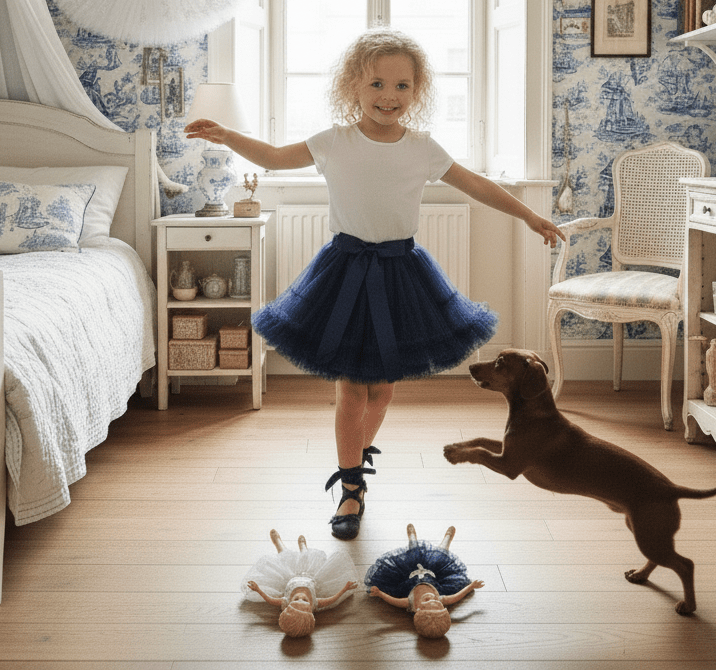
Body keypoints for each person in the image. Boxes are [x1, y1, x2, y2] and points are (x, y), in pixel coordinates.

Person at [185, 28, 563, 540]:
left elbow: (479, 186)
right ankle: (350, 488)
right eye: (378, 84)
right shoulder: (333, 142)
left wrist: (531, 217)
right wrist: (229, 137)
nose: (390, 96)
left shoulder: (424, 150)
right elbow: (275, 157)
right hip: (343, 274)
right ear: (354, 87)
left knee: (381, 391)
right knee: (351, 389)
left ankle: (355, 463)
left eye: (402, 86)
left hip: (402, 274)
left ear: (417, 91)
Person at [366, 523, 483, 638]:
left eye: (427, 600)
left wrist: (380, 594)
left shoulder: (410, 602)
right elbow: (457, 596)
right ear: (442, 606)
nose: (432, 597)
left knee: (413, 553)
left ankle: (412, 537)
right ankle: (447, 539)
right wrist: (471, 586)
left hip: (407, 573)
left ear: (418, 609)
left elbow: (394, 600)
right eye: (437, 602)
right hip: (434, 573)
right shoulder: (441, 599)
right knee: (441, 556)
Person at [242, 529, 358, 637]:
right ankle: (303, 547)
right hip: (311, 574)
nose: (301, 597)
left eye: (296, 600)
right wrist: (345, 589)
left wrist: (258, 589)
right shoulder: (315, 604)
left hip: (288, 576)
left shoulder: (285, 601)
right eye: (305, 600)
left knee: (285, 557)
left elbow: (270, 599)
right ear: (310, 611)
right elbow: (333, 599)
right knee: (307, 557)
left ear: (288, 606)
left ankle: (279, 544)